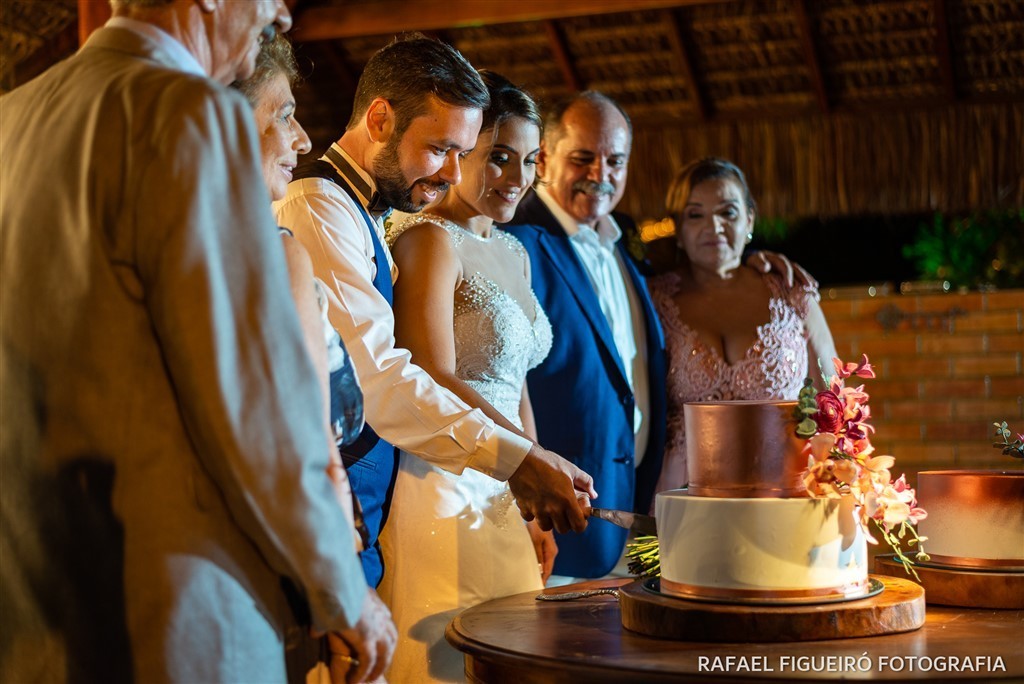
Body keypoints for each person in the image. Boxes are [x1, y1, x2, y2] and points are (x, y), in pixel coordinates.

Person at [0, 2, 391, 682]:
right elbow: (250, 396)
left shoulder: (15, 114)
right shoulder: (185, 112)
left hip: (35, 597)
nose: (283, 15)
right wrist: (339, 582)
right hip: (174, 602)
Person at [274, 36, 595, 592]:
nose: (452, 172)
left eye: (461, 152)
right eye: (441, 148)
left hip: (372, 504)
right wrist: (517, 459)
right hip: (331, 510)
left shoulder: (368, 212)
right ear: (380, 119)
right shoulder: (319, 206)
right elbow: (379, 379)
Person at [505, 91, 815, 579]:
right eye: (583, 158)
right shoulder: (516, 241)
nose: (600, 174)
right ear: (544, 158)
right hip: (559, 521)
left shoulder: (628, 251)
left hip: (640, 516)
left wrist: (755, 265)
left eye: (615, 161)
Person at [379, 71, 554, 682]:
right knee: (449, 657)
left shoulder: (515, 252)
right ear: (463, 150)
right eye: (499, 157)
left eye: (530, 160)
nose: (517, 177)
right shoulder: (427, 240)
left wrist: (534, 500)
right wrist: (529, 458)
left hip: (509, 485)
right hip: (445, 479)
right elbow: (430, 371)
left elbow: (518, 379)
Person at [233, 35, 391, 683]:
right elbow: (309, 444)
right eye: (282, 114)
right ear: (224, 123)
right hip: (282, 577)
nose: (302, 138)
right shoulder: (276, 252)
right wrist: (344, 590)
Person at [649, 157, 837, 492]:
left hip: (783, 490)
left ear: (749, 218)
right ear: (678, 228)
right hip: (686, 492)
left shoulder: (790, 290)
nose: (714, 227)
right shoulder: (652, 300)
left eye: (727, 212)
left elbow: (833, 400)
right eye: (696, 214)